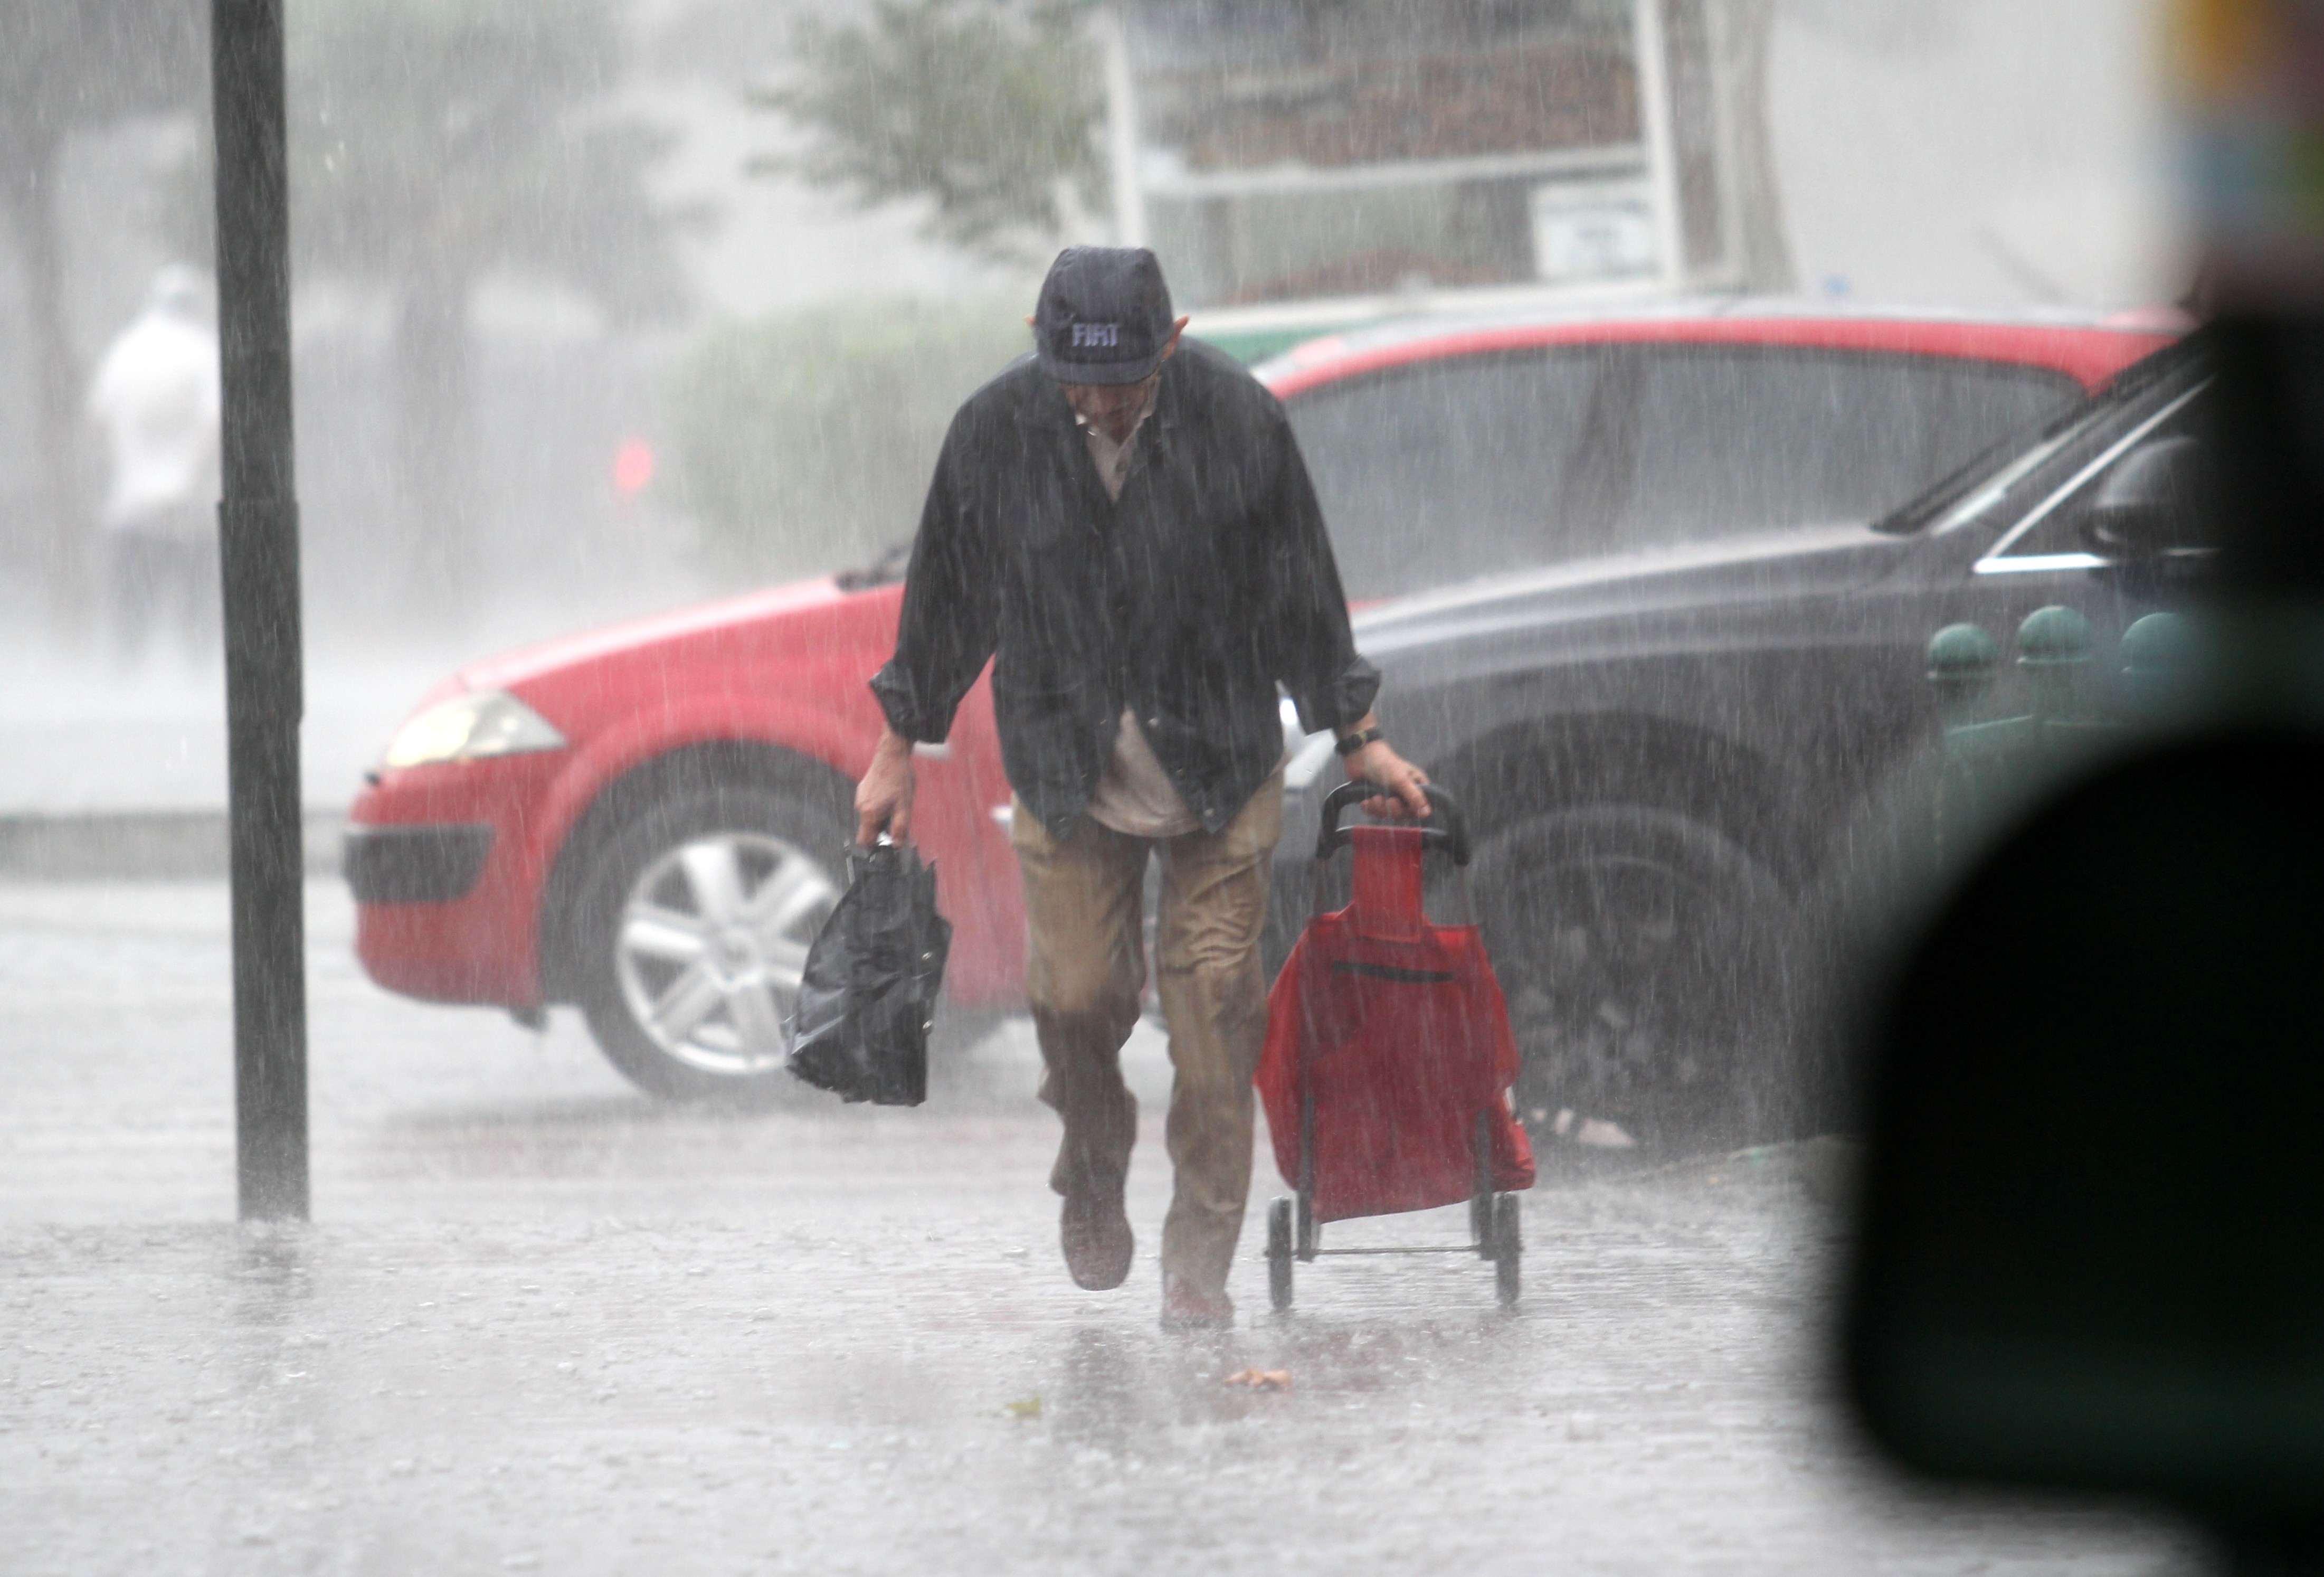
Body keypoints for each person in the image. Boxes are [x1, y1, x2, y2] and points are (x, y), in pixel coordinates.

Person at [855, 246, 1430, 1329]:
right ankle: (1092, 1161)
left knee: (1214, 1008)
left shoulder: (1239, 423)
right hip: (1066, 764)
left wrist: (1357, 732)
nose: (1101, 404)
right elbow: (944, 598)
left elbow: (1303, 588)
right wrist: (898, 744)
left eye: (1123, 384)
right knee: (1075, 998)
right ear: (1040, 342)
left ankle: (1196, 1265)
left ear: (1169, 343)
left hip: (1216, 758)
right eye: (1078, 382)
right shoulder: (995, 432)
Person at [86, 265, 223, 664]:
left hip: (131, 506)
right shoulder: (203, 350)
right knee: (196, 607)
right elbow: (214, 424)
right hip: (191, 507)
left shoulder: (125, 349)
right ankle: (199, 683)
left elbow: (98, 418)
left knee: (133, 606)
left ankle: (126, 683)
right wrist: (189, 475)